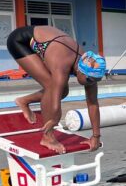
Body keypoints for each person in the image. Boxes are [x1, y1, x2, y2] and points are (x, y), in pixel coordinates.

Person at [6, 25, 106, 154]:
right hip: (20, 41)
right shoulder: (63, 63)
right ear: (80, 71)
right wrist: (54, 119)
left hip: (50, 43)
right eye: (90, 80)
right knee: (52, 87)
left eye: (95, 80)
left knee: (61, 90)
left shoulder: (90, 68)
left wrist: (96, 136)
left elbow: (93, 103)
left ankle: (24, 101)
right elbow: (54, 96)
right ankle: (47, 138)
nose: (91, 83)